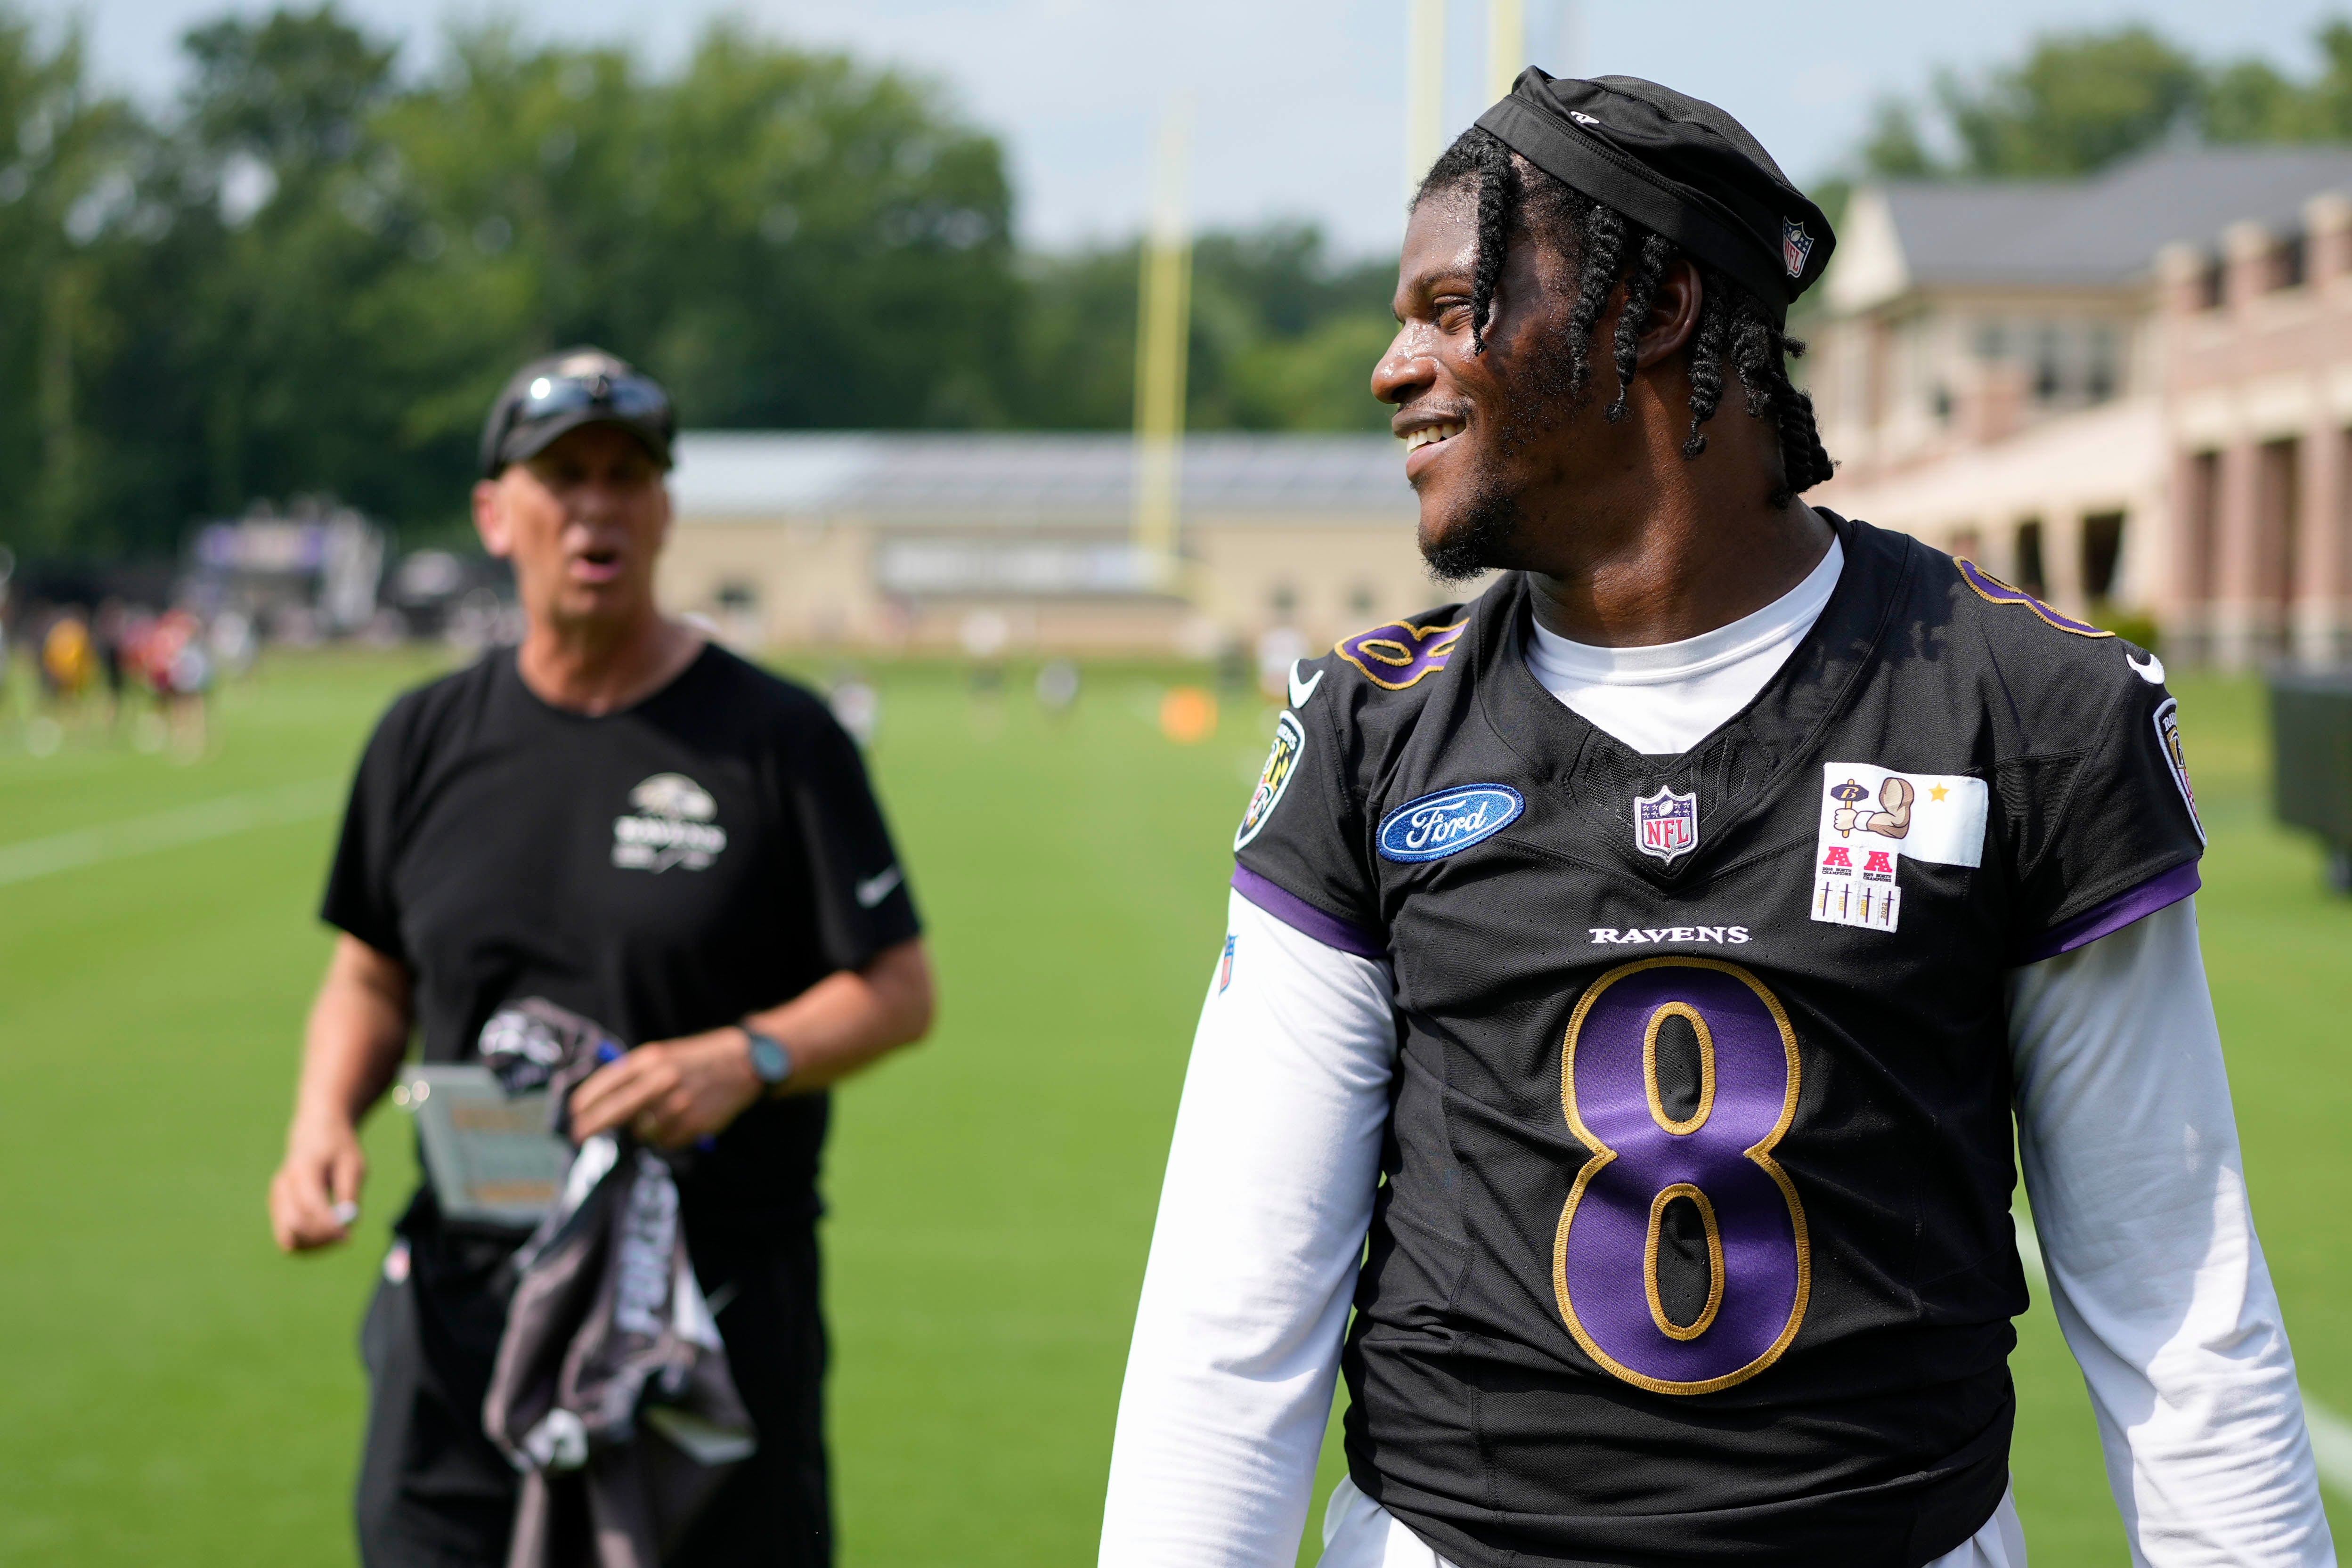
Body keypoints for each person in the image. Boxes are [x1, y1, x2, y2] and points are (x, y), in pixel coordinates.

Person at [1099, 74, 2331, 1568]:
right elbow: (1235, 1309)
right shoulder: (1371, 732)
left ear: (1659, 304)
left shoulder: (2019, 703)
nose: (1392, 366)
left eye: (1448, 304)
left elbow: (2175, 1301)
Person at [267, 347, 935, 1566]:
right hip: (465, 1309)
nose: (596, 503)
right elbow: (371, 975)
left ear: (665, 510)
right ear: (494, 512)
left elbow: (897, 989)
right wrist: (322, 1118)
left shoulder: (779, 741)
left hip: (707, 1316)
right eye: (562, 473)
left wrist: (749, 1054)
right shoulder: (421, 738)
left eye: (627, 474)